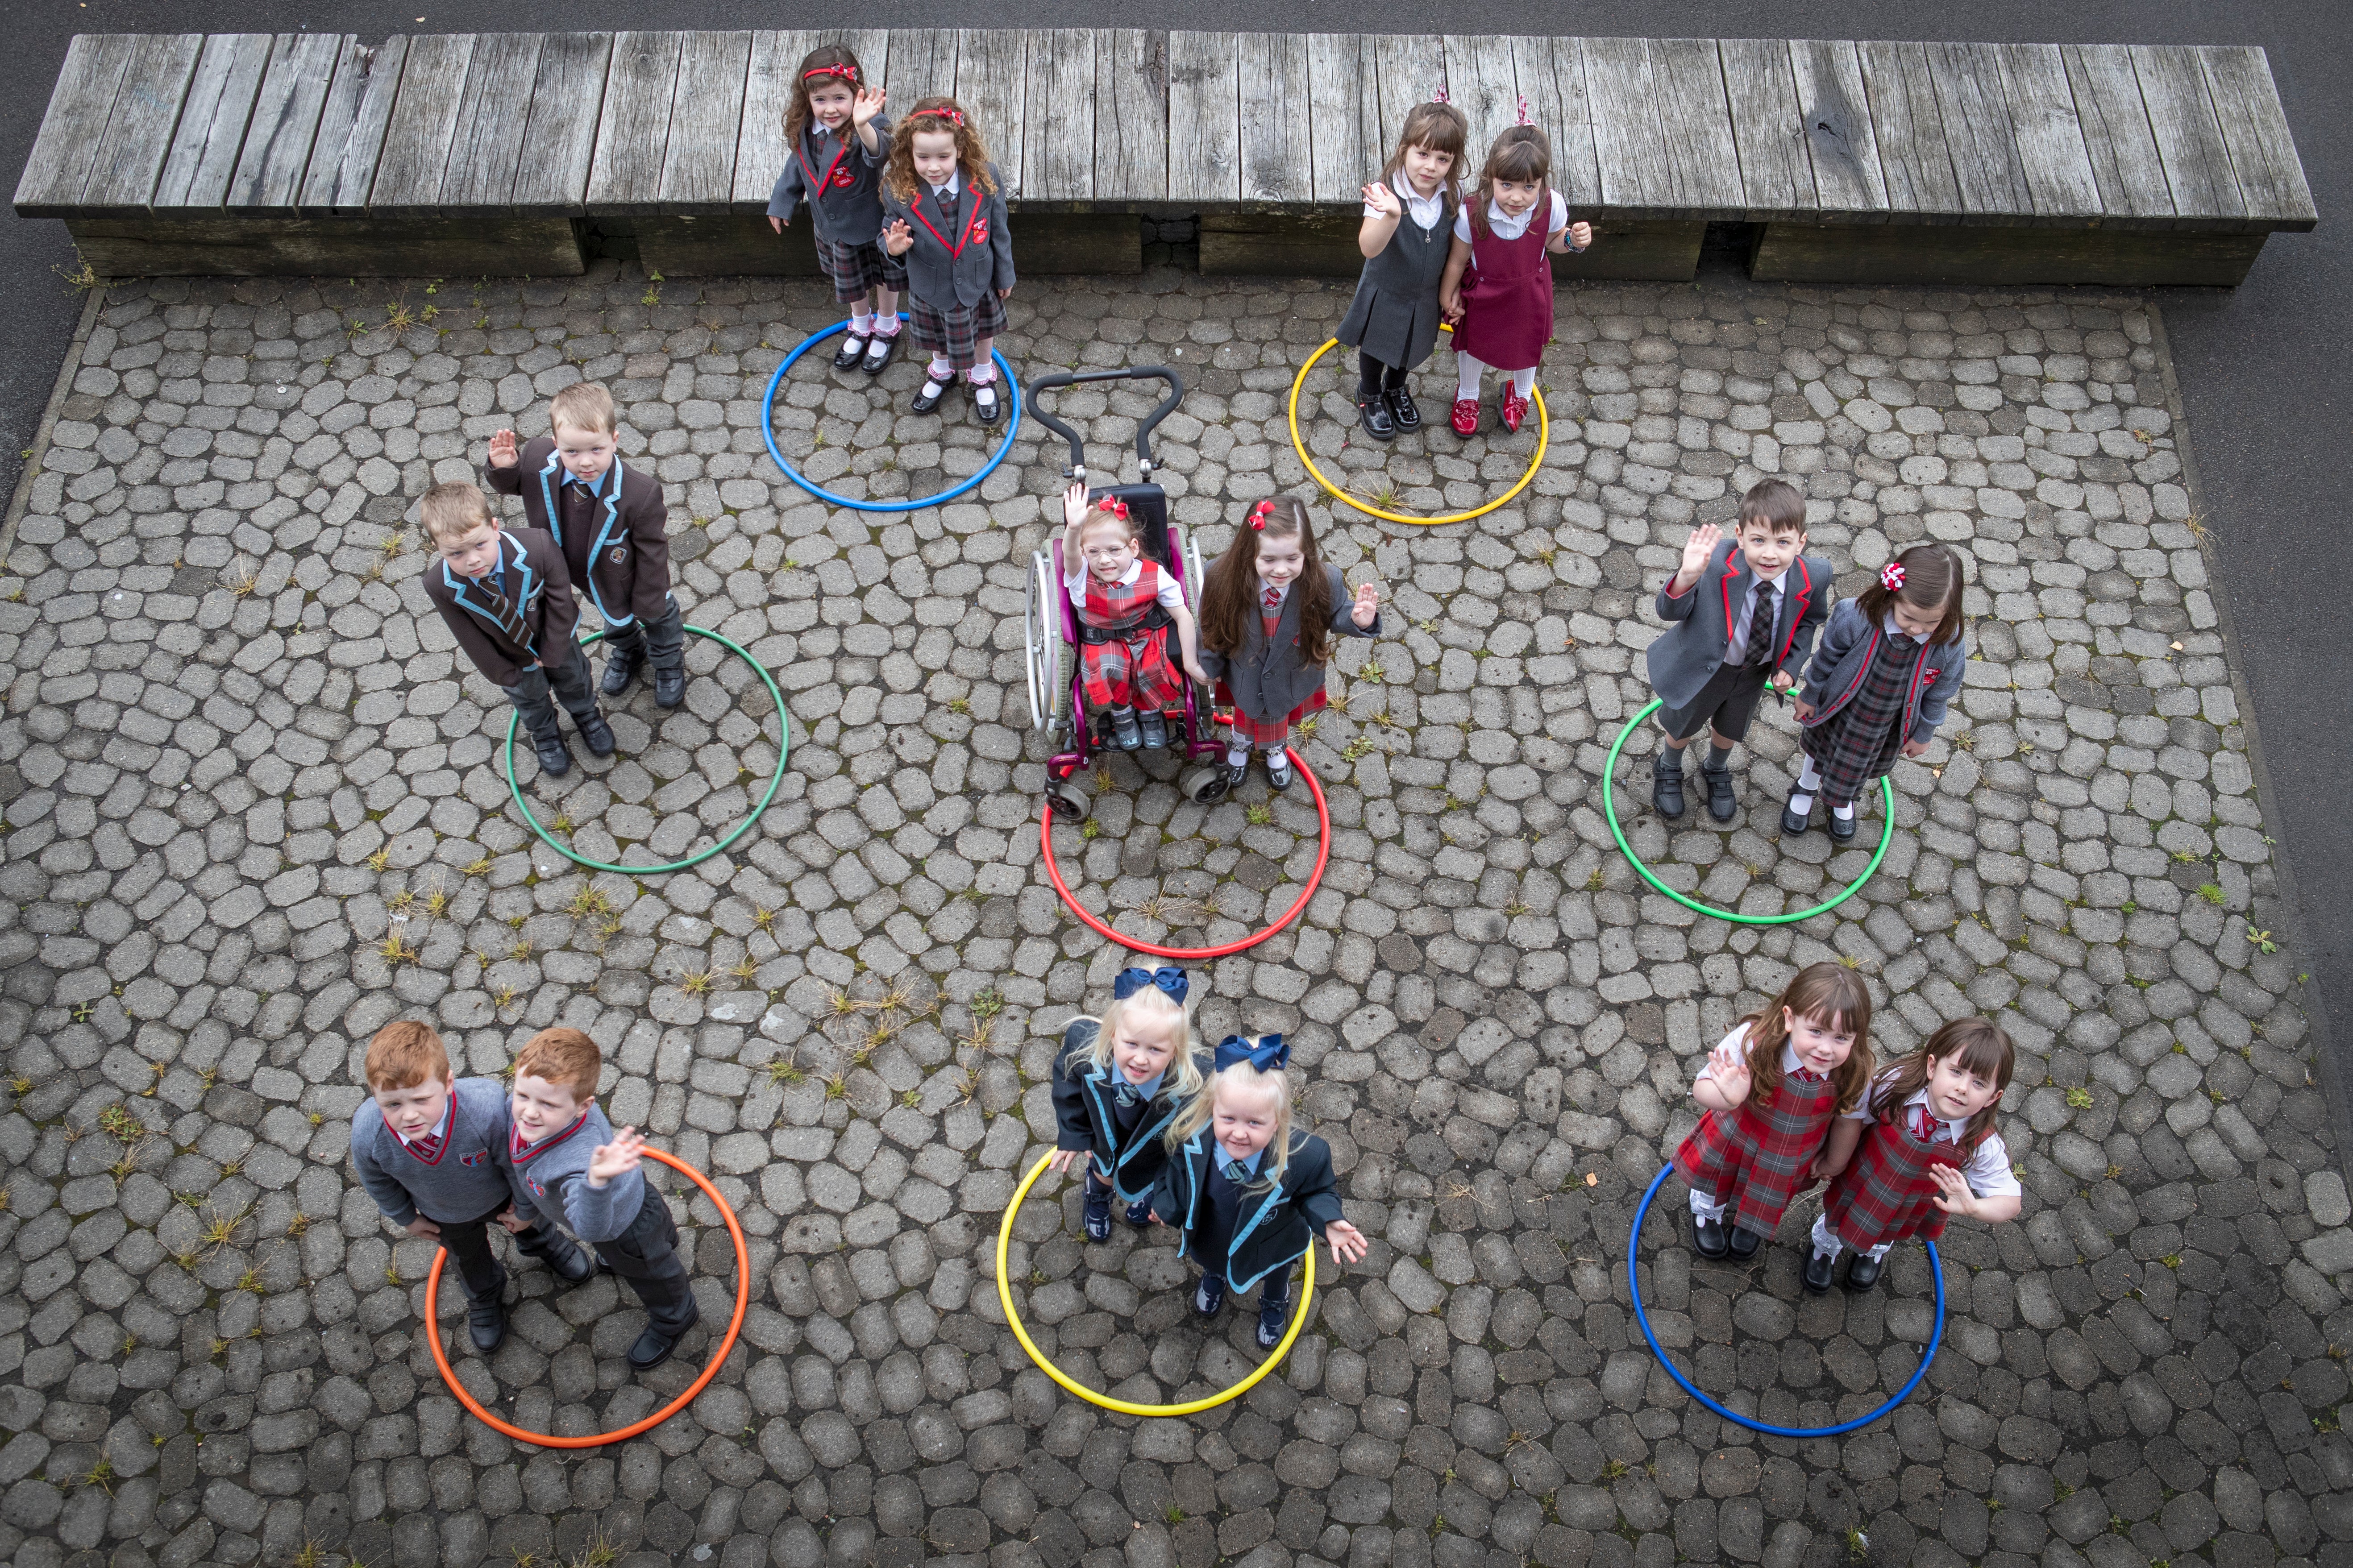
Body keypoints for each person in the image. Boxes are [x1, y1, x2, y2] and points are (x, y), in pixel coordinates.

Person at [349, 1021, 595, 1353]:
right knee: (467, 1259)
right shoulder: (369, 1133)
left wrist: (525, 1209)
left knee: (534, 1225)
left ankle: (545, 1244)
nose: (409, 1115)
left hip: (503, 1197)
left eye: (421, 1099)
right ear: (374, 1095)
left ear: (449, 1083)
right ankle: (485, 1294)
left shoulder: (486, 1109)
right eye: (392, 1104)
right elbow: (376, 1179)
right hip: (444, 1214)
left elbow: (517, 1162)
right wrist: (406, 1217)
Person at [500, 1027, 700, 1370]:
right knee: (654, 1224)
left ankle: (677, 1316)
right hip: (633, 1197)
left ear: (583, 1107)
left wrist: (596, 1181)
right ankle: (666, 1239)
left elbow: (591, 1228)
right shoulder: (534, 1113)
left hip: (622, 1229)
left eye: (547, 1104)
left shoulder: (580, 1160)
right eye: (522, 1095)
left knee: (652, 1271)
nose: (529, 1113)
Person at [1150, 1036, 1368, 1349]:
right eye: (1228, 1119)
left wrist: (1329, 1221)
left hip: (1272, 1242)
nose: (1239, 1133)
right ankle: (1216, 1276)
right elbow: (1178, 1174)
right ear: (1213, 1109)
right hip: (1214, 1231)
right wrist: (1166, 1205)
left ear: (1277, 1122)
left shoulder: (1304, 1156)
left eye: (1255, 1122)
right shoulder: (1193, 1137)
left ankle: (1275, 1300)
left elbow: (1317, 1192)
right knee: (1214, 1258)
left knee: (1276, 1274)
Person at [484, 382, 684, 709]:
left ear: (614, 441)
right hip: (582, 573)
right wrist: (504, 468)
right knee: (614, 616)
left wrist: (649, 598)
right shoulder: (536, 458)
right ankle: (629, 649)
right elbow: (515, 484)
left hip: (633, 576)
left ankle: (667, 662)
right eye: (572, 452)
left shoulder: (640, 493)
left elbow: (652, 551)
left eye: (596, 449)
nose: (585, 462)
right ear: (555, 444)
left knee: (658, 616)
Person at [1646, 479, 1831, 821]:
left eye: (1783, 542)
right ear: (1741, 535)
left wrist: (1791, 664)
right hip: (1705, 667)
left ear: (1801, 543)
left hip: (1753, 674)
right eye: (1758, 540)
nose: (1770, 554)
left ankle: (1715, 768)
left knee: (1732, 727)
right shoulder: (1715, 563)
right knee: (1683, 723)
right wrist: (1687, 576)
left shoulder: (1816, 576)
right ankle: (1669, 766)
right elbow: (1670, 612)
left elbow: (1809, 622)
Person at [1672, 963, 1873, 1261]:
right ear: (1790, 1018)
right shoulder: (1755, 1042)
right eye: (1816, 1032)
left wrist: (1835, 1161)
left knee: (1767, 1192)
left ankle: (1750, 1219)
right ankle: (1707, 1207)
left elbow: (1848, 1122)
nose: (1826, 1049)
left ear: (1857, 1036)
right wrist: (1728, 1098)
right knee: (1720, 1177)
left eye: (1841, 1038)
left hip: (1789, 1154)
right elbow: (1702, 1087)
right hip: (1740, 1136)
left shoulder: (1855, 1072)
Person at [1806, 1017, 2021, 1294]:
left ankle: (1874, 1250)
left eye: (1979, 1083)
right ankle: (1825, 1246)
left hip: (1909, 1203)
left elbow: (2011, 1201)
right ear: (1933, 1066)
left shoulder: (1983, 1142)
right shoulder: (1895, 1086)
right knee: (1838, 1216)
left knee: (1888, 1229)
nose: (1963, 1088)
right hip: (1867, 1180)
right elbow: (1854, 1117)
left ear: (1994, 1097)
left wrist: (1975, 1208)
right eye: (1956, 1072)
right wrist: (1836, 1160)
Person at [417, 481, 613, 778]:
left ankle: (586, 714)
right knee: (528, 697)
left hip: (556, 639)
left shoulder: (537, 547)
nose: (472, 560)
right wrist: (505, 673)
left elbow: (561, 599)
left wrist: (552, 649)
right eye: (456, 554)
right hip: (511, 655)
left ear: (495, 527)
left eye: (480, 544)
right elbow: (468, 636)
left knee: (574, 677)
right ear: (437, 548)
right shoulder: (438, 585)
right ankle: (545, 733)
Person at [1784, 543, 1970, 840]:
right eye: (1908, 617)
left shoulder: (1949, 646)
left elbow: (1940, 694)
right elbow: (1826, 658)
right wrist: (1810, 694)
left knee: (1861, 762)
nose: (1917, 629)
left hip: (1887, 723)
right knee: (1822, 748)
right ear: (1892, 596)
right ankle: (1806, 786)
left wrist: (1923, 734)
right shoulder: (1856, 617)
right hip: (1841, 708)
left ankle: (1843, 801)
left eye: (1931, 622)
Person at [1195, 497, 1381, 793]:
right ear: (1249, 552)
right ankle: (1240, 744)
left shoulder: (1324, 580)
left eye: (1292, 559)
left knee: (1278, 713)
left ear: (1306, 552)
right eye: (1269, 560)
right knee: (1246, 712)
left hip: (1290, 671)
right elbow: (1209, 624)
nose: (1281, 570)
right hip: (1245, 669)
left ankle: (1275, 748)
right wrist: (1210, 664)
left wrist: (1358, 621)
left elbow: (1336, 614)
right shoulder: (1220, 576)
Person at [1438, 120, 1592, 436]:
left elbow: (1552, 241)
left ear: (1541, 184)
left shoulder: (1552, 205)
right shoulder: (1474, 212)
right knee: (1474, 345)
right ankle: (1467, 395)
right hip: (1484, 292)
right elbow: (1458, 258)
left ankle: (1520, 394)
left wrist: (1572, 242)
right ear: (1491, 177)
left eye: (1528, 187)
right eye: (1507, 185)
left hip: (1528, 291)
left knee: (1527, 343)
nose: (1518, 197)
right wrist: (1447, 294)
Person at [1335, 99, 1469, 441]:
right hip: (1387, 290)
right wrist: (1393, 216)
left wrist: (1451, 291)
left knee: (1411, 344)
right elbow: (1368, 247)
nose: (1431, 167)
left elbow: (1458, 248)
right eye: (1423, 154)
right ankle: (1369, 393)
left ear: (1453, 162)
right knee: (1377, 345)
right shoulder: (1385, 194)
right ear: (1404, 149)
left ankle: (1395, 388)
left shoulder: (1451, 195)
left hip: (1424, 294)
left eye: (1443, 159)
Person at [767, 44, 903, 374]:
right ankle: (861, 324)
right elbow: (798, 166)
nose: (830, 109)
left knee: (884, 277)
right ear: (808, 99)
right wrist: (783, 200)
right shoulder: (805, 128)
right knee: (852, 281)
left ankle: (887, 325)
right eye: (820, 100)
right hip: (832, 228)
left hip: (869, 223)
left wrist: (862, 125)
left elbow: (880, 153)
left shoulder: (866, 126)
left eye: (839, 98)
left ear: (855, 95)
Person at [878, 98, 1015, 424]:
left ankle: (982, 375)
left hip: (977, 281)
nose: (934, 166)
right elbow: (885, 234)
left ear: (961, 149)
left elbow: (999, 230)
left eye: (944, 156)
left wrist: (1005, 276)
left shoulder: (985, 178)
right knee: (939, 336)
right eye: (923, 157)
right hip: (931, 285)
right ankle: (942, 372)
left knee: (982, 332)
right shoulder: (898, 190)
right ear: (909, 153)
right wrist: (893, 247)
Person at [1049, 966, 1210, 1241]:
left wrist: (1169, 1197)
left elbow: (1195, 1141)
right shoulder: (1084, 1050)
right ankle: (1098, 1195)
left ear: (1176, 1050)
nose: (1140, 1059)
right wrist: (1074, 1133)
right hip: (1105, 1140)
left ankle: (1147, 1197)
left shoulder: (1195, 1085)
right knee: (1103, 1173)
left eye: (1156, 1049)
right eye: (1131, 1044)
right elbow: (1067, 1084)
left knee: (1147, 1178)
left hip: (1156, 1150)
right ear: (1112, 1034)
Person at [1060, 483, 1207, 751]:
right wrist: (1074, 528)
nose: (1104, 560)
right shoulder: (1082, 577)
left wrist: (1191, 662)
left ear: (1133, 547)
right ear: (1084, 553)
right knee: (1112, 668)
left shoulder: (1153, 574)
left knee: (1152, 667)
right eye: (1094, 552)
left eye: (1114, 550)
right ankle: (1122, 713)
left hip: (1146, 634)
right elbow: (1069, 554)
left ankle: (1150, 713)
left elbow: (1184, 616)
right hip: (1102, 641)